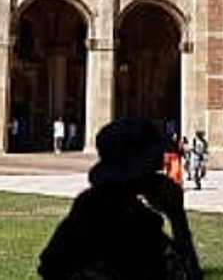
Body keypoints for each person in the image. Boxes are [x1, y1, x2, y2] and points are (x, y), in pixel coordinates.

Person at [38, 118, 203, 280]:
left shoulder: (89, 204)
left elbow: (49, 264)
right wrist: (177, 218)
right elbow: (185, 274)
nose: (160, 166)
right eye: (154, 161)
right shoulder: (138, 224)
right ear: (140, 167)